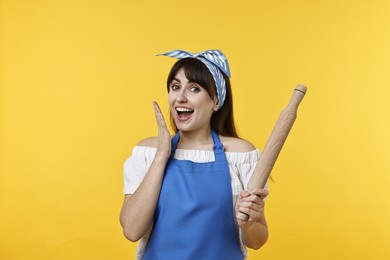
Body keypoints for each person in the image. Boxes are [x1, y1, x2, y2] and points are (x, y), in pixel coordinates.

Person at [120, 49, 269, 260]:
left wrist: (249, 224)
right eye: (175, 87)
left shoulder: (240, 155)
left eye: (194, 89)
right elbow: (132, 230)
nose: (180, 97)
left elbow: (258, 240)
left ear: (216, 100)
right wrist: (162, 156)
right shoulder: (148, 153)